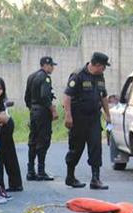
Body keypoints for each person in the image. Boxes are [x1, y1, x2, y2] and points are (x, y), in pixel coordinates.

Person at [63, 52, 112, 190]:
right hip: (78, 118)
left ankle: (95, 179)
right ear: (96, 64)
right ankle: (70, 177)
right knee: (76, 148)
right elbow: (67, 96)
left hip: (94, 117)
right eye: (103, 66)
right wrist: (68, 116)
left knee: (96, 146)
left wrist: (107, 114)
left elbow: (103, 96)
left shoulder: (100, 76)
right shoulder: (78, 75)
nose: (104, 69)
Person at [24, 56, 58, 181]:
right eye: (51, 65)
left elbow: (27, 97)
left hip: (34, 111)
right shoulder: (45, 78)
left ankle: (30, 171)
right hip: (43, 113)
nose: (52, 68)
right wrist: (52, 109)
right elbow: (44, 96)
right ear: (45, 65)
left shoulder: (31, 77)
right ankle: (41, 171)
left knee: (33, 140)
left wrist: (32, 110)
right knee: (43, 141)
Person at [0, 77, 23, 193]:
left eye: (1, 88)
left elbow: (2, 120)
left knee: (9, 156)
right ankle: (0, 186)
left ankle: (15, 184)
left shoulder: (0, 103)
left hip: (5, 129)